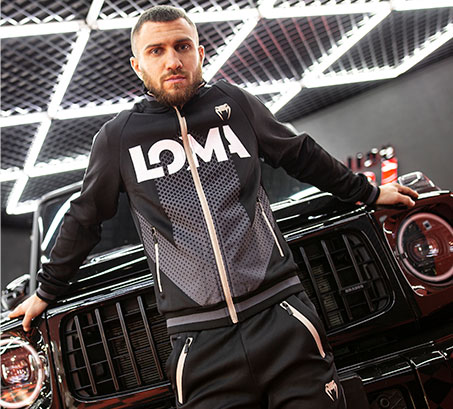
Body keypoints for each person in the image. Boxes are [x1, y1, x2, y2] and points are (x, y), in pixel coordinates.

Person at [9, 5, 418, 408]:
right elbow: (85, 216)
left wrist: (368, 192)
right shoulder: (119, 137)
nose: (172, 60)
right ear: (138, 65)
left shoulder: (236, 105)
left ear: (200, 53)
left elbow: (300, 154)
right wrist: (47, 290)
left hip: (281, 316)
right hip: (199, 342)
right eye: (156, 51)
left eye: (182, 46)